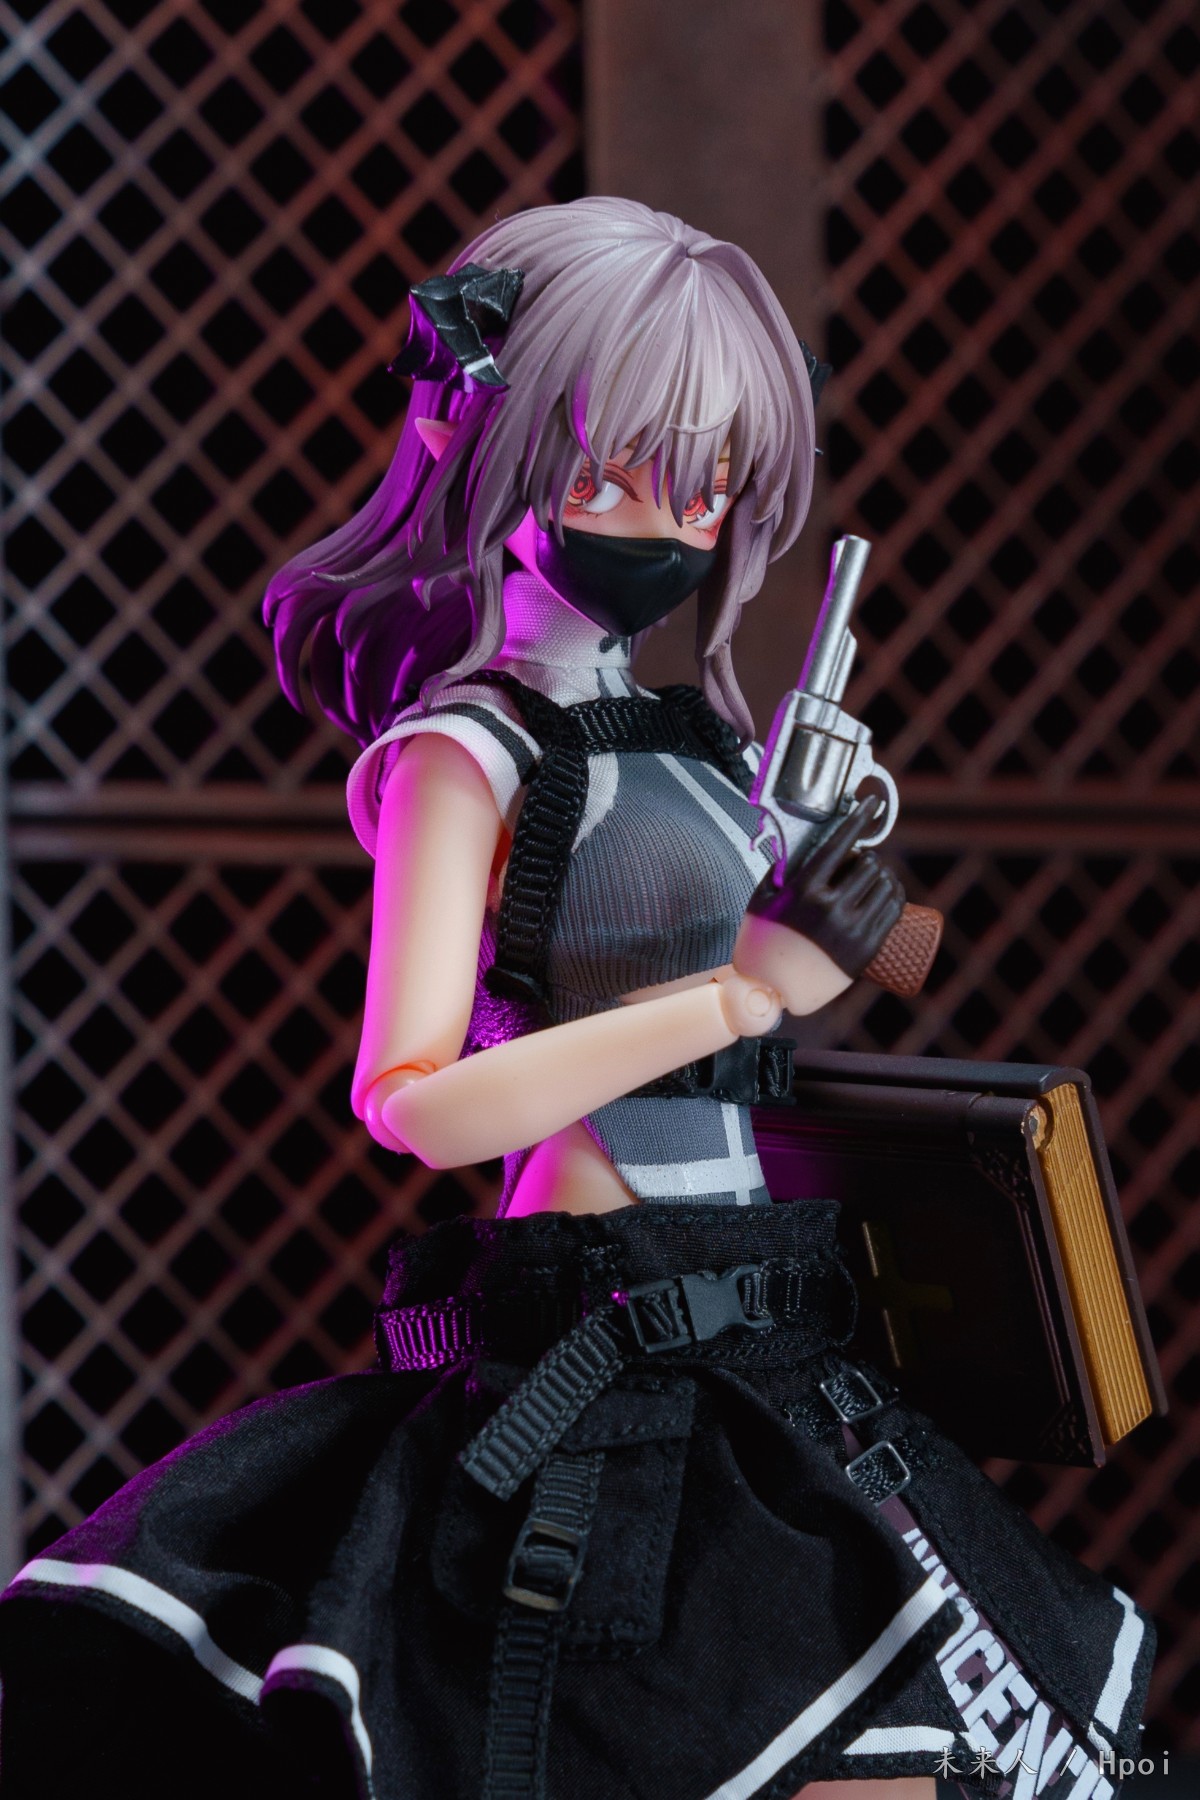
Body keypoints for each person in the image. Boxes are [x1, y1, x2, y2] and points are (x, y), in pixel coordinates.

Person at [0, 199, 1150, 1800]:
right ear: (491, 435)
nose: (665, 524)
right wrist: (735, 997)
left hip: (767, 1326)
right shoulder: (462, 755)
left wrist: (865, 906)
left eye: (709, 484)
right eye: (616, 471)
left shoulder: (694, 738)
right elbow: (413, 1103)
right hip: (602, 1334)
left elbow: (885, 962)